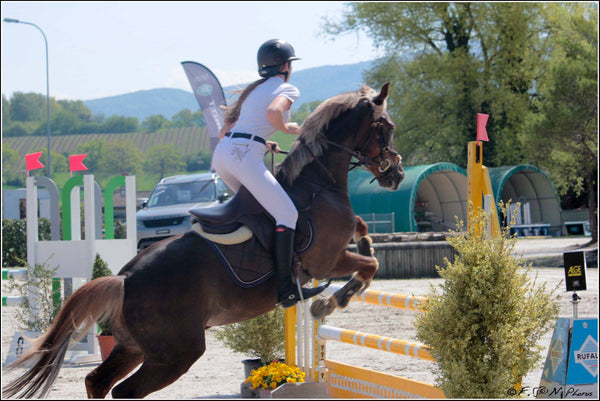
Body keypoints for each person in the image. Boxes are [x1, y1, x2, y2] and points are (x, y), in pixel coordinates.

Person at [211, 39, 326, 308]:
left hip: (223, 154)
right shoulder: (287, 87)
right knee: (287, 214)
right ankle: (285, 287)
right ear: (286, 66)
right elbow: (275, 113)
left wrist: (263, 141)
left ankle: (254, 268)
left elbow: (224, 131)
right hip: (242, 156)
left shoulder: (254, 90)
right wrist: (289, 129)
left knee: (258, 210)